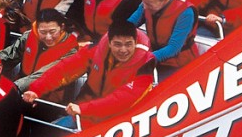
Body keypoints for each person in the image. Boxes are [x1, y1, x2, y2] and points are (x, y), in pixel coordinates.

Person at [23, 18, 155, 127]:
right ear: (109, 43)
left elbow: (122, 100)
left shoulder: (145, 65)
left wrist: (84, 109)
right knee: (51, 132)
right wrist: (37, 89)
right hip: (85, 112)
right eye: (117, 44)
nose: (123, 50)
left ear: (135, 43)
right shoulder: (95, 50)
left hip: (118, 121)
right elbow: (65, 69)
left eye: (128, 44)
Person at [0, 8, 80, 93]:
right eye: (43, 32)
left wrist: (15, 87)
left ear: (62, 27)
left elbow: (46, 75)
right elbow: (10, 54)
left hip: (47, 96)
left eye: (52, 32)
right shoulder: (29, 35)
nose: (48, 37)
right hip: (20, 86)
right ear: (37, 28)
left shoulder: (71, 50)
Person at [129, 0, 198, 70]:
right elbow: (130, 24)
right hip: (153, 54)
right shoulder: (147, 2)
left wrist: (146, 58)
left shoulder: (186, 13)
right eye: (143, 2)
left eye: (148, 4)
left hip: (177, 63)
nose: (144, 7)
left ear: (165, 0)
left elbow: (173, 48)